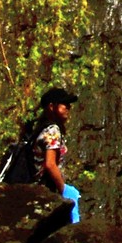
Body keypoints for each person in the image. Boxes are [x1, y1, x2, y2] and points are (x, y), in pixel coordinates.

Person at [33, 86, 82, 224]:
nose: (68, 107)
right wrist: (64, 190)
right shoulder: (53, 130)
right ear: (51, 106)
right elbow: (50, 164)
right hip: (47, 190)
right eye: (64, 104)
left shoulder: (41, 127)